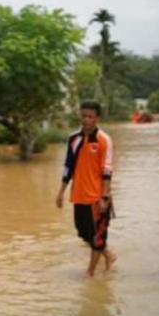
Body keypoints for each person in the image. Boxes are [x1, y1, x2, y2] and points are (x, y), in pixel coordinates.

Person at [55, 100, 117, 278]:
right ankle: (109, 255)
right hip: (79, 194)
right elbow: (68, 166)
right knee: (82, 231)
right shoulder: (74, 139)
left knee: (97, 236)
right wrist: (61, 192)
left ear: (97, 118)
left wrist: (105, 196)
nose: (86, 120)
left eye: (90, 117)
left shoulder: (104, 140)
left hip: (97, 197)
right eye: (83, 116)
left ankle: (90, 273)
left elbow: (107, 169)